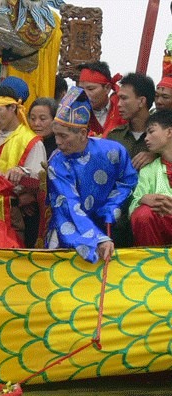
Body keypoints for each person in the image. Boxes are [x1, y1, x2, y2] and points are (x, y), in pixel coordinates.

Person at [46, 86, 138, 263]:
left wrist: (113, 205)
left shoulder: (113, 152)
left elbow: (127, 181)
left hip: (112, 224)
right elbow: (68, 204)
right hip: (72, 229)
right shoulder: (57, 164)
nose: (58, 143)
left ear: (82, 133)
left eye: (63, 136)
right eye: (55, 135)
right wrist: (97, 238)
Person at [0, 85, 47, 248]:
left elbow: (39, 182)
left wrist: (22, 174)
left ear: (12, 108)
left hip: (11, 213)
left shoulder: (31, 141)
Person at [129, 110, 172, 246]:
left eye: (151, 131)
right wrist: (143, 199)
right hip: (163, 224)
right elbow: (133, 207)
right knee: (143, 214)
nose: (146, 138)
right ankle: (153, 262)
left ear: (169, 132)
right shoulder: (148, 170)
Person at [106, 72, 157, 171]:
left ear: (141, 101)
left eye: (124, 98)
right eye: (119, 98)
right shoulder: (114, 136)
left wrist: (156, 156)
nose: (119, 104)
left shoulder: (163, 136)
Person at [77, 61, 126, 137]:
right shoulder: (73, 113)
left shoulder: (122, 112)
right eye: (81, 89)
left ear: (107, 88)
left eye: (90, 89)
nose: (84, 94)